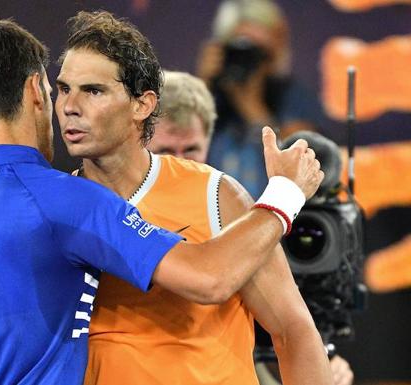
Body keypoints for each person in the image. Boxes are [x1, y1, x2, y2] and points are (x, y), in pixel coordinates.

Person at [0, 12, 327, 385]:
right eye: (63, 88)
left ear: (142, 105)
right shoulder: (48, 210)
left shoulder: (216, 196)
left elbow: (291, 331)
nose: (69, 105)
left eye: (93, 90)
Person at [149, 71, 354, 385]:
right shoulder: (113, 210)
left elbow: (284, 324)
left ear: (209, 141)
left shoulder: (234, 211)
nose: (181, 163)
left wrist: (324, 359)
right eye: (166, 152)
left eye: (190, 150)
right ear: (142, 142)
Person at [196, 0, 326, 197]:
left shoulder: (291, 95)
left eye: (256, 53)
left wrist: (250, 105)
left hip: (277, 218)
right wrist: (201, 84)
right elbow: (170, 149)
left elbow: (304, 158)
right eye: (238, 51)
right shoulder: (208, 98)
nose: (247, 62)